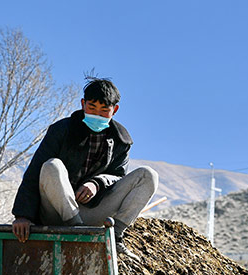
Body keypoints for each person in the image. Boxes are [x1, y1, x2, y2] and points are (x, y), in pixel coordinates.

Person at [11, 77, 158, 256]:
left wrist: (97, 184)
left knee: (148, 175)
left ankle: (115, 236)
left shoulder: (121, 139)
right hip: (57, 211)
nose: (97, 114)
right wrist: (22, 215)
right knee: (52, 166)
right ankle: (76, 231)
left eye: (104, 110)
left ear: (115, 110)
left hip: (92, 212)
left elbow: (118, 175)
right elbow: (35, 171)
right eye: (92, 108)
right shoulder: (61, 130)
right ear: (83, 104)